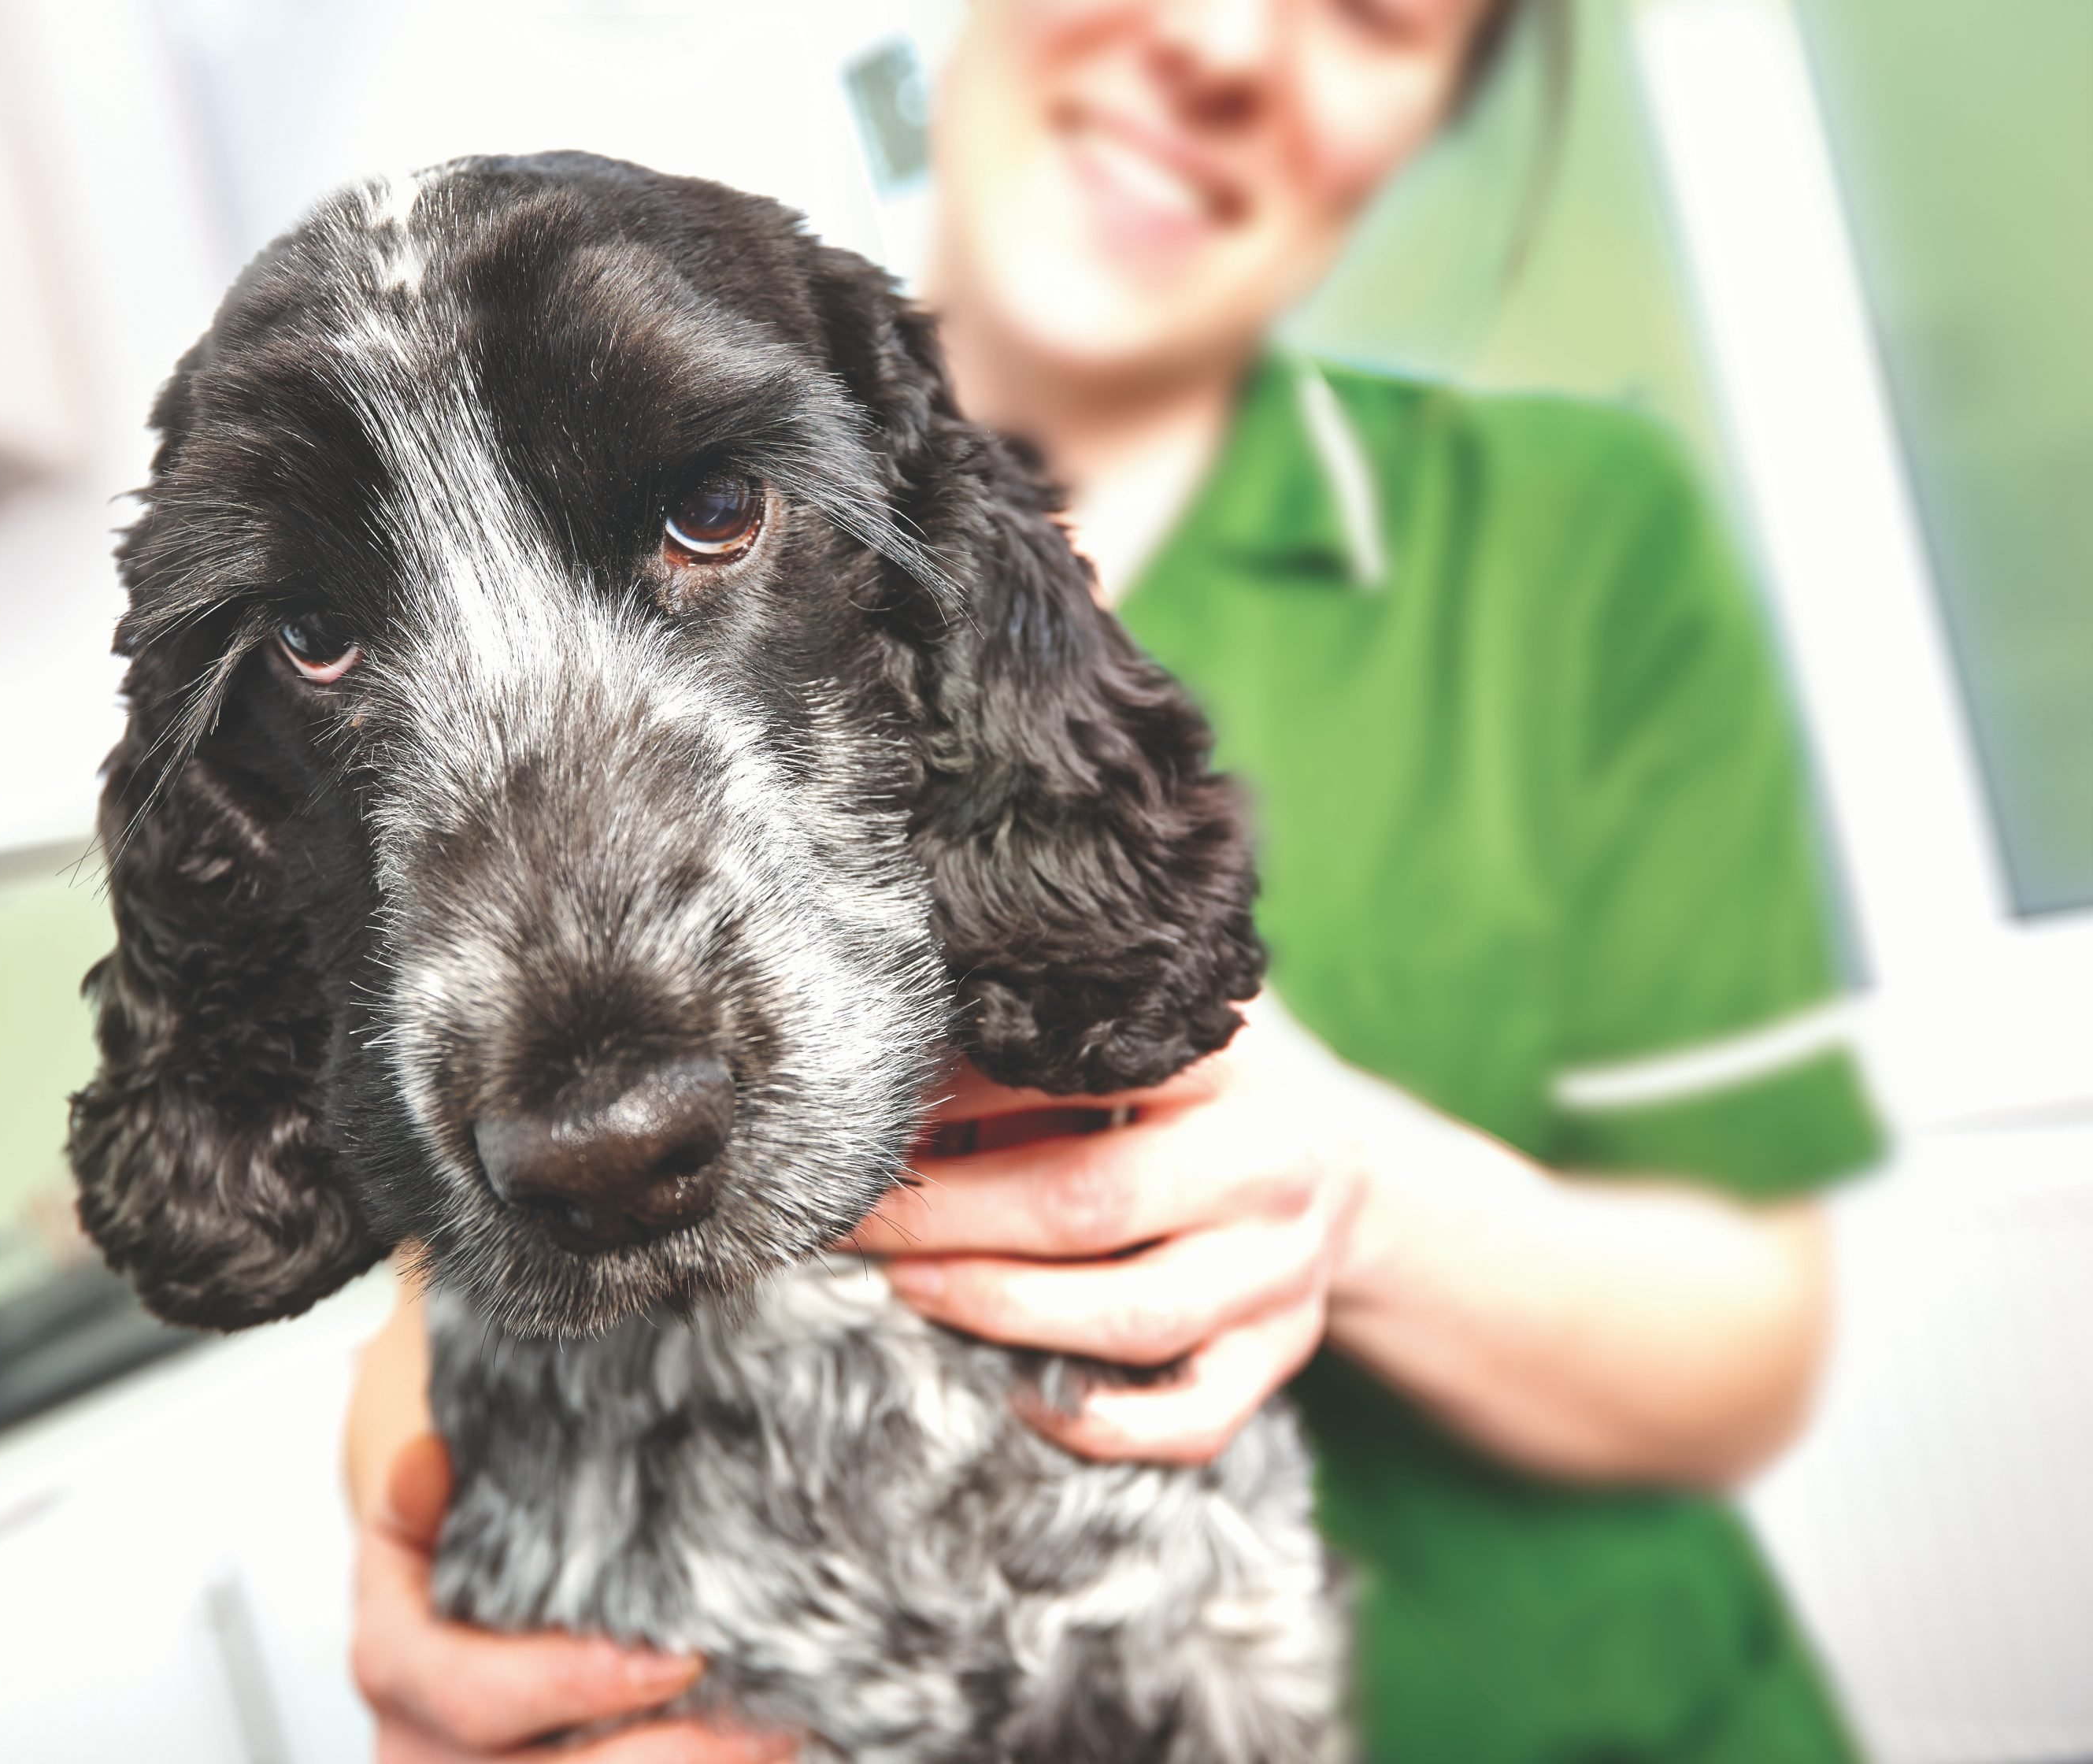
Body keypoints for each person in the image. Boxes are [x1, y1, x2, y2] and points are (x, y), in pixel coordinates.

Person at [342, 2, 1886, 1759]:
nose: (1231, 40)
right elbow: (462, 1250)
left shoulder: (1579, 530)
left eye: (1375, 16)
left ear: (1431, 114)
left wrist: (1366, 1202)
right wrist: (425, 1513)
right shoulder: (552, 405)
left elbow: (1753, 1348)